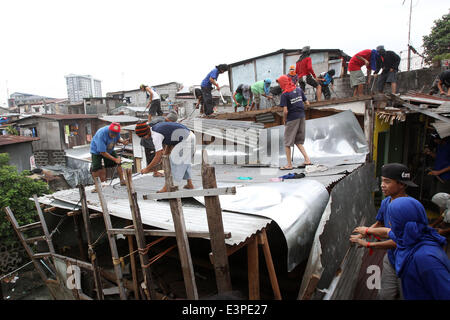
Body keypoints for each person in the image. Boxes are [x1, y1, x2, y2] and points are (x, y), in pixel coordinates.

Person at [356, 197, 450, 300]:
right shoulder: (410, 234)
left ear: (400, 222)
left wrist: (370, 244)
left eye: (392, 219)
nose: (390, 223)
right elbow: (387, 232)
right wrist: (367, 230)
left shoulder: (425, 259)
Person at [350, 163, 418, 300]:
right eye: (382, 180)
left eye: (387, 181)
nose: (382, 185)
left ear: (402, 184)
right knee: (385, 296)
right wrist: (364, 233)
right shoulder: (386, 202)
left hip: (408, 262)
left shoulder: (410, 208)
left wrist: (368, 244)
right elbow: (379, 223)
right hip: (391, 260)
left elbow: (397, 241)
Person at [140, 121, 196, 193]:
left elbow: (158, 155)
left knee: (173, 162)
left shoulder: (156, 135)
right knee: (185, 162)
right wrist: (164, 156)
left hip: (186, 140)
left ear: (145, 134)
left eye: (143, 137)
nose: (145, 138)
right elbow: (169, 142)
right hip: (190, 136)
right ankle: (190, 184)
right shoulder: (156, 128)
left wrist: (147, 169)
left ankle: (167, 187)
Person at [277, 75, 312, 170]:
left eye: (280, 83)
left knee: (287, 142)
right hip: (301, 116)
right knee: (297, 140)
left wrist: (284, 120)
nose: (280, 86)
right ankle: (307, 159)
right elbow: (307, 103)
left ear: (283, 83)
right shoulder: (299, 90)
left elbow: (285, 111)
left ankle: (289, 165)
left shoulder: (285, 94)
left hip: (292, 118)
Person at [90, 122, 129, 189]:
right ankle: (97, 186)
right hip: (97, 150)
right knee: (96, 168)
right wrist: (115, 159)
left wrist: (122, 141)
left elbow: (118, 138)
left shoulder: (116, 131)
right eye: (112, 135)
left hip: (109, 149)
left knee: (118, 163)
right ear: (109, 131)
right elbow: (102, 152)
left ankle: (122, 180)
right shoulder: (101, 134)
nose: (113, 136)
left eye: (115, 135)